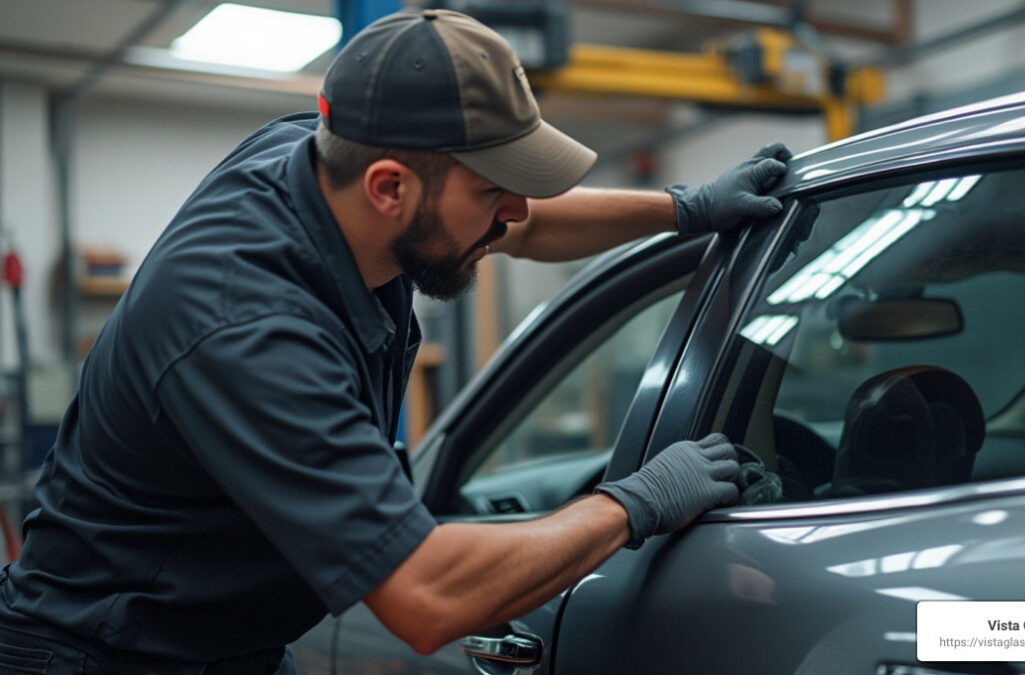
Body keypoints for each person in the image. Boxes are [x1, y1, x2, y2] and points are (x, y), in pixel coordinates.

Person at [0, 8, 790, 674]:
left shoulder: (327, 164)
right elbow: (422, 596)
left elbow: (523, 222)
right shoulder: (245, 327)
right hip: (105, 656)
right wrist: (634, 502)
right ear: (388, 187)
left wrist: (683, 208)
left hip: (221, 643)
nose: (513, 208)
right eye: (491, 188)